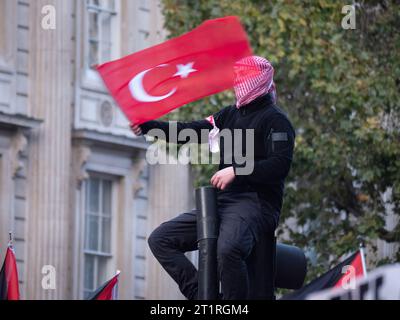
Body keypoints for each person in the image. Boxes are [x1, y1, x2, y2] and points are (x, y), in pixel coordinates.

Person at [130, 56, 295, 300]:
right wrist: (148, 127)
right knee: (161, 239)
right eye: (237, 76)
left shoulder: (276, 120)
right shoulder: (228, 115)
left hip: (256, 203)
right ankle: (204, 298)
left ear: (260, 80)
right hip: (223, 203)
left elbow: (279, 165)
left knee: (228, 249)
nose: (238, 82)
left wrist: (238, 170)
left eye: (244, 76)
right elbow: (190, 131)